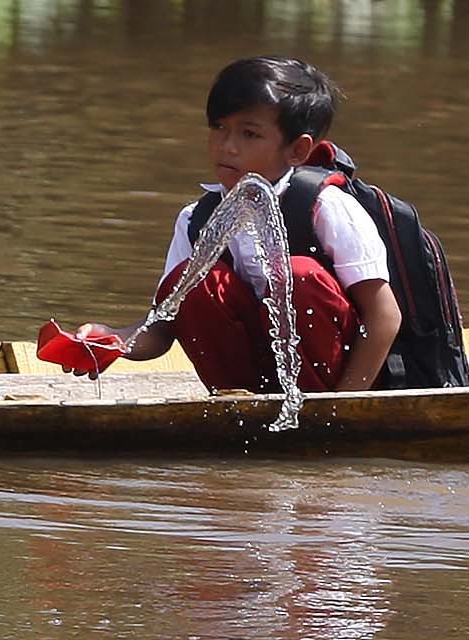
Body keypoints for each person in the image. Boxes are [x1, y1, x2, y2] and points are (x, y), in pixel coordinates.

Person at [117, 57, 400, 395]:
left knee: (298, 275)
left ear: (297, 150)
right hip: (250, 379)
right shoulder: (197, 219)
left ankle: (313, 405)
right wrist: (109, 342)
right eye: (219, 128)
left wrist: (344, 405)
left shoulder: (327, 208)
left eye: (249, 134)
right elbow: (164, 325)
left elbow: (384, 317)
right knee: (193, 283)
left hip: (337, 385)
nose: (228, 146)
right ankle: (239, 401)